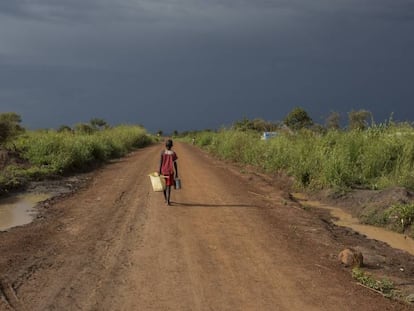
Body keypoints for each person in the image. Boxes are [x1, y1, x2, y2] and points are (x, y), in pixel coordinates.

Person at [159, 139, 178, 205]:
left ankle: (165, 198)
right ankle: (168, 201)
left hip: (163, 171)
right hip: (170, 172)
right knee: (168, 186)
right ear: (171, 146)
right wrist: (176, 173)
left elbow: (160, 162)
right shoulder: (173, 153)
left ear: (165, 145)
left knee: (164, 186)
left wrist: (159, 171)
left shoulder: (162, 152)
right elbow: (175, 163)